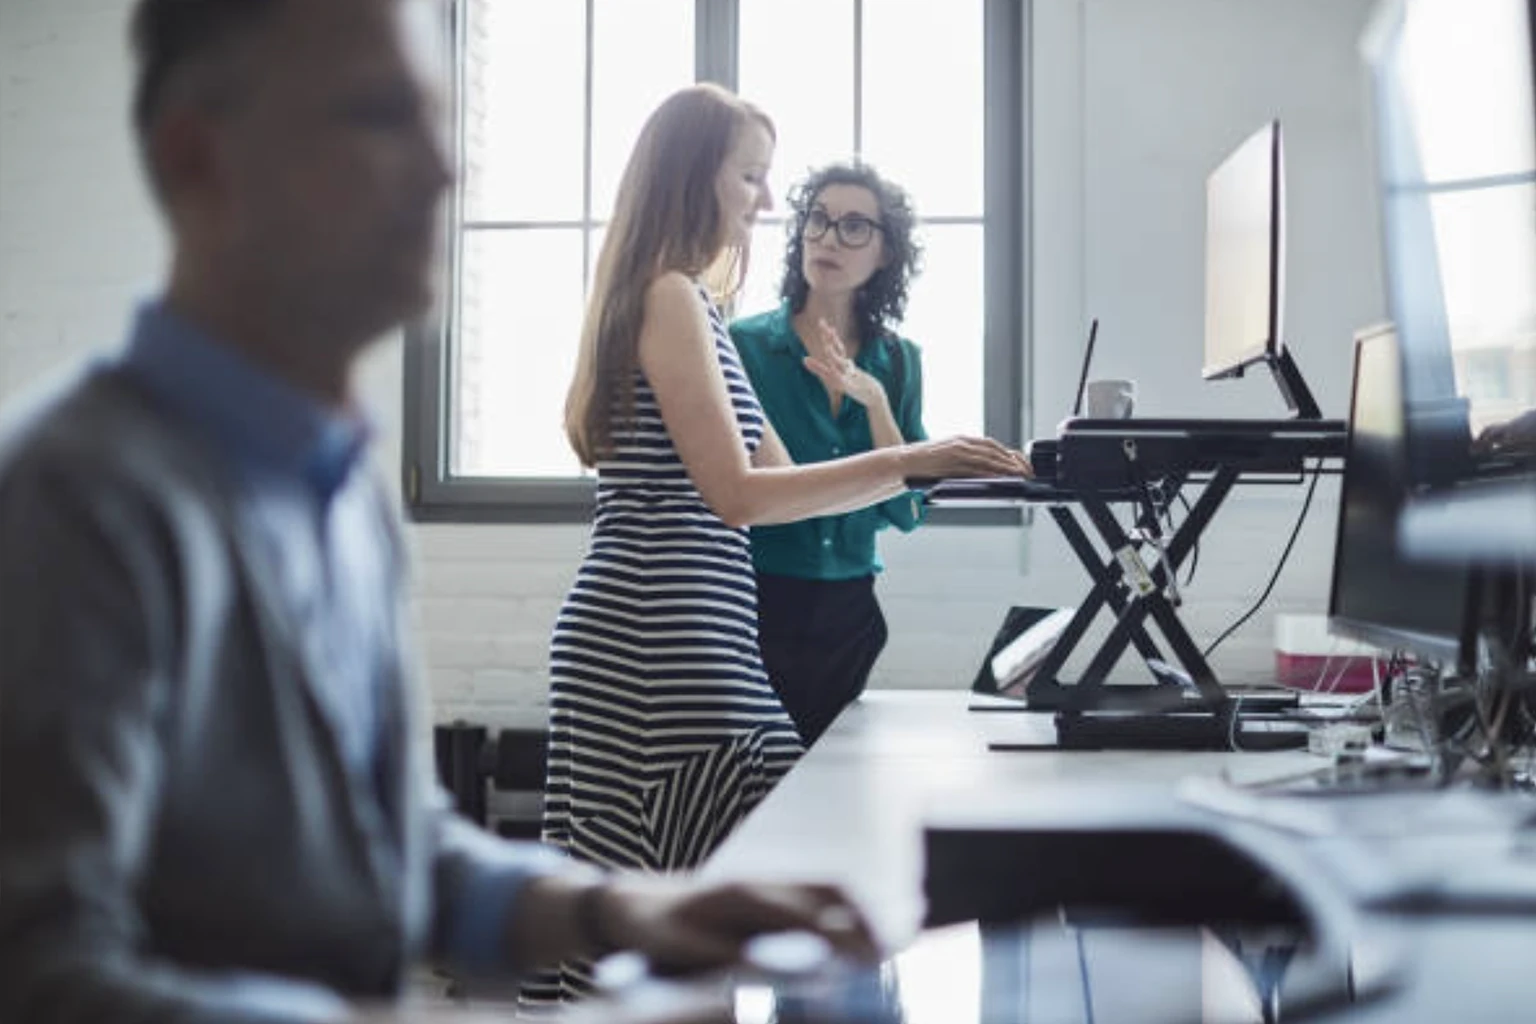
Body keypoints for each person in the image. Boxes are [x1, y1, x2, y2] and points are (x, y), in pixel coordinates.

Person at [0, 3, 880, 1022]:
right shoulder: (78, 501)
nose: (442, 171)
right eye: (378, 118)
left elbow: (400, 856)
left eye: (437, 122)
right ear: (200, 157)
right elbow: (37, 970)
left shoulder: (342, 499)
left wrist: (620, 913)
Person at [538, 83, 1029, 999]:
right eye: (752, 176)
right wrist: (920, 456)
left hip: (699, 641)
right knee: (671, 944)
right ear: (697, 178)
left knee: (694, 937)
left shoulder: (696, 308)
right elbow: (738, 497)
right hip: (653, 645)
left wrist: (918, 457)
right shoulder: (670, 298)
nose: (770, 203)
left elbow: (785, 484)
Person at [731, 162, 927, 746]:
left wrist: (877, 407)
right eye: (818, 219)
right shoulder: (746, 345)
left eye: (853, 226)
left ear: (885, 252)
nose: (828, 239)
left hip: (850, 613)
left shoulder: (899, 361)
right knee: (758, 789)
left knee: (829, 789)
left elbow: (908, 513)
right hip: (758, 600)